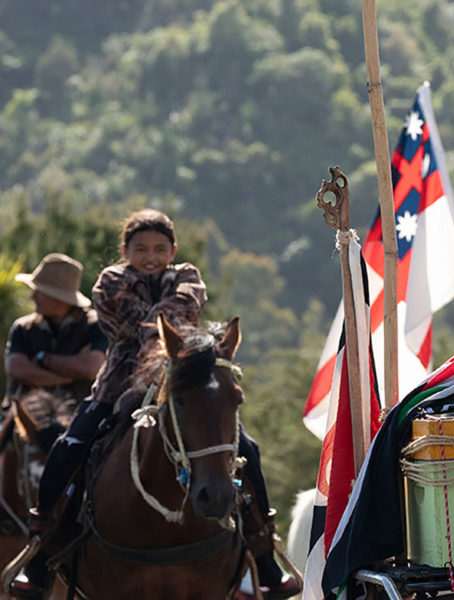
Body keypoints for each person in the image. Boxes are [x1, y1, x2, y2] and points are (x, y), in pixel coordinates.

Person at [10, 209, 299, 599]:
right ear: (125, 251)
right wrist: (170, 337)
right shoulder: (109, 282)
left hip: (182, 378)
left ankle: (265, 554)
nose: (151, 256)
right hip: (117, 386)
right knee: (68, 448)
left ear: (173, 251)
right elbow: (147, 322)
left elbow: (184, 307)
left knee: (246, 448)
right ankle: (41, 554)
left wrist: (172, 344)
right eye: (141, 248)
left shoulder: (188, 275)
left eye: (160, 249)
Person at [4, 253, 107, 409]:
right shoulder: (23, 327)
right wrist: (71, 376)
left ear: (59, 298)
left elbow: (91, 367)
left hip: (75, 412)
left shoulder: (95, 326)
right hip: (22, 412)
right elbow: (17, 369)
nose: (32, 297)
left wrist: (43, 360)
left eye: (39, 292)